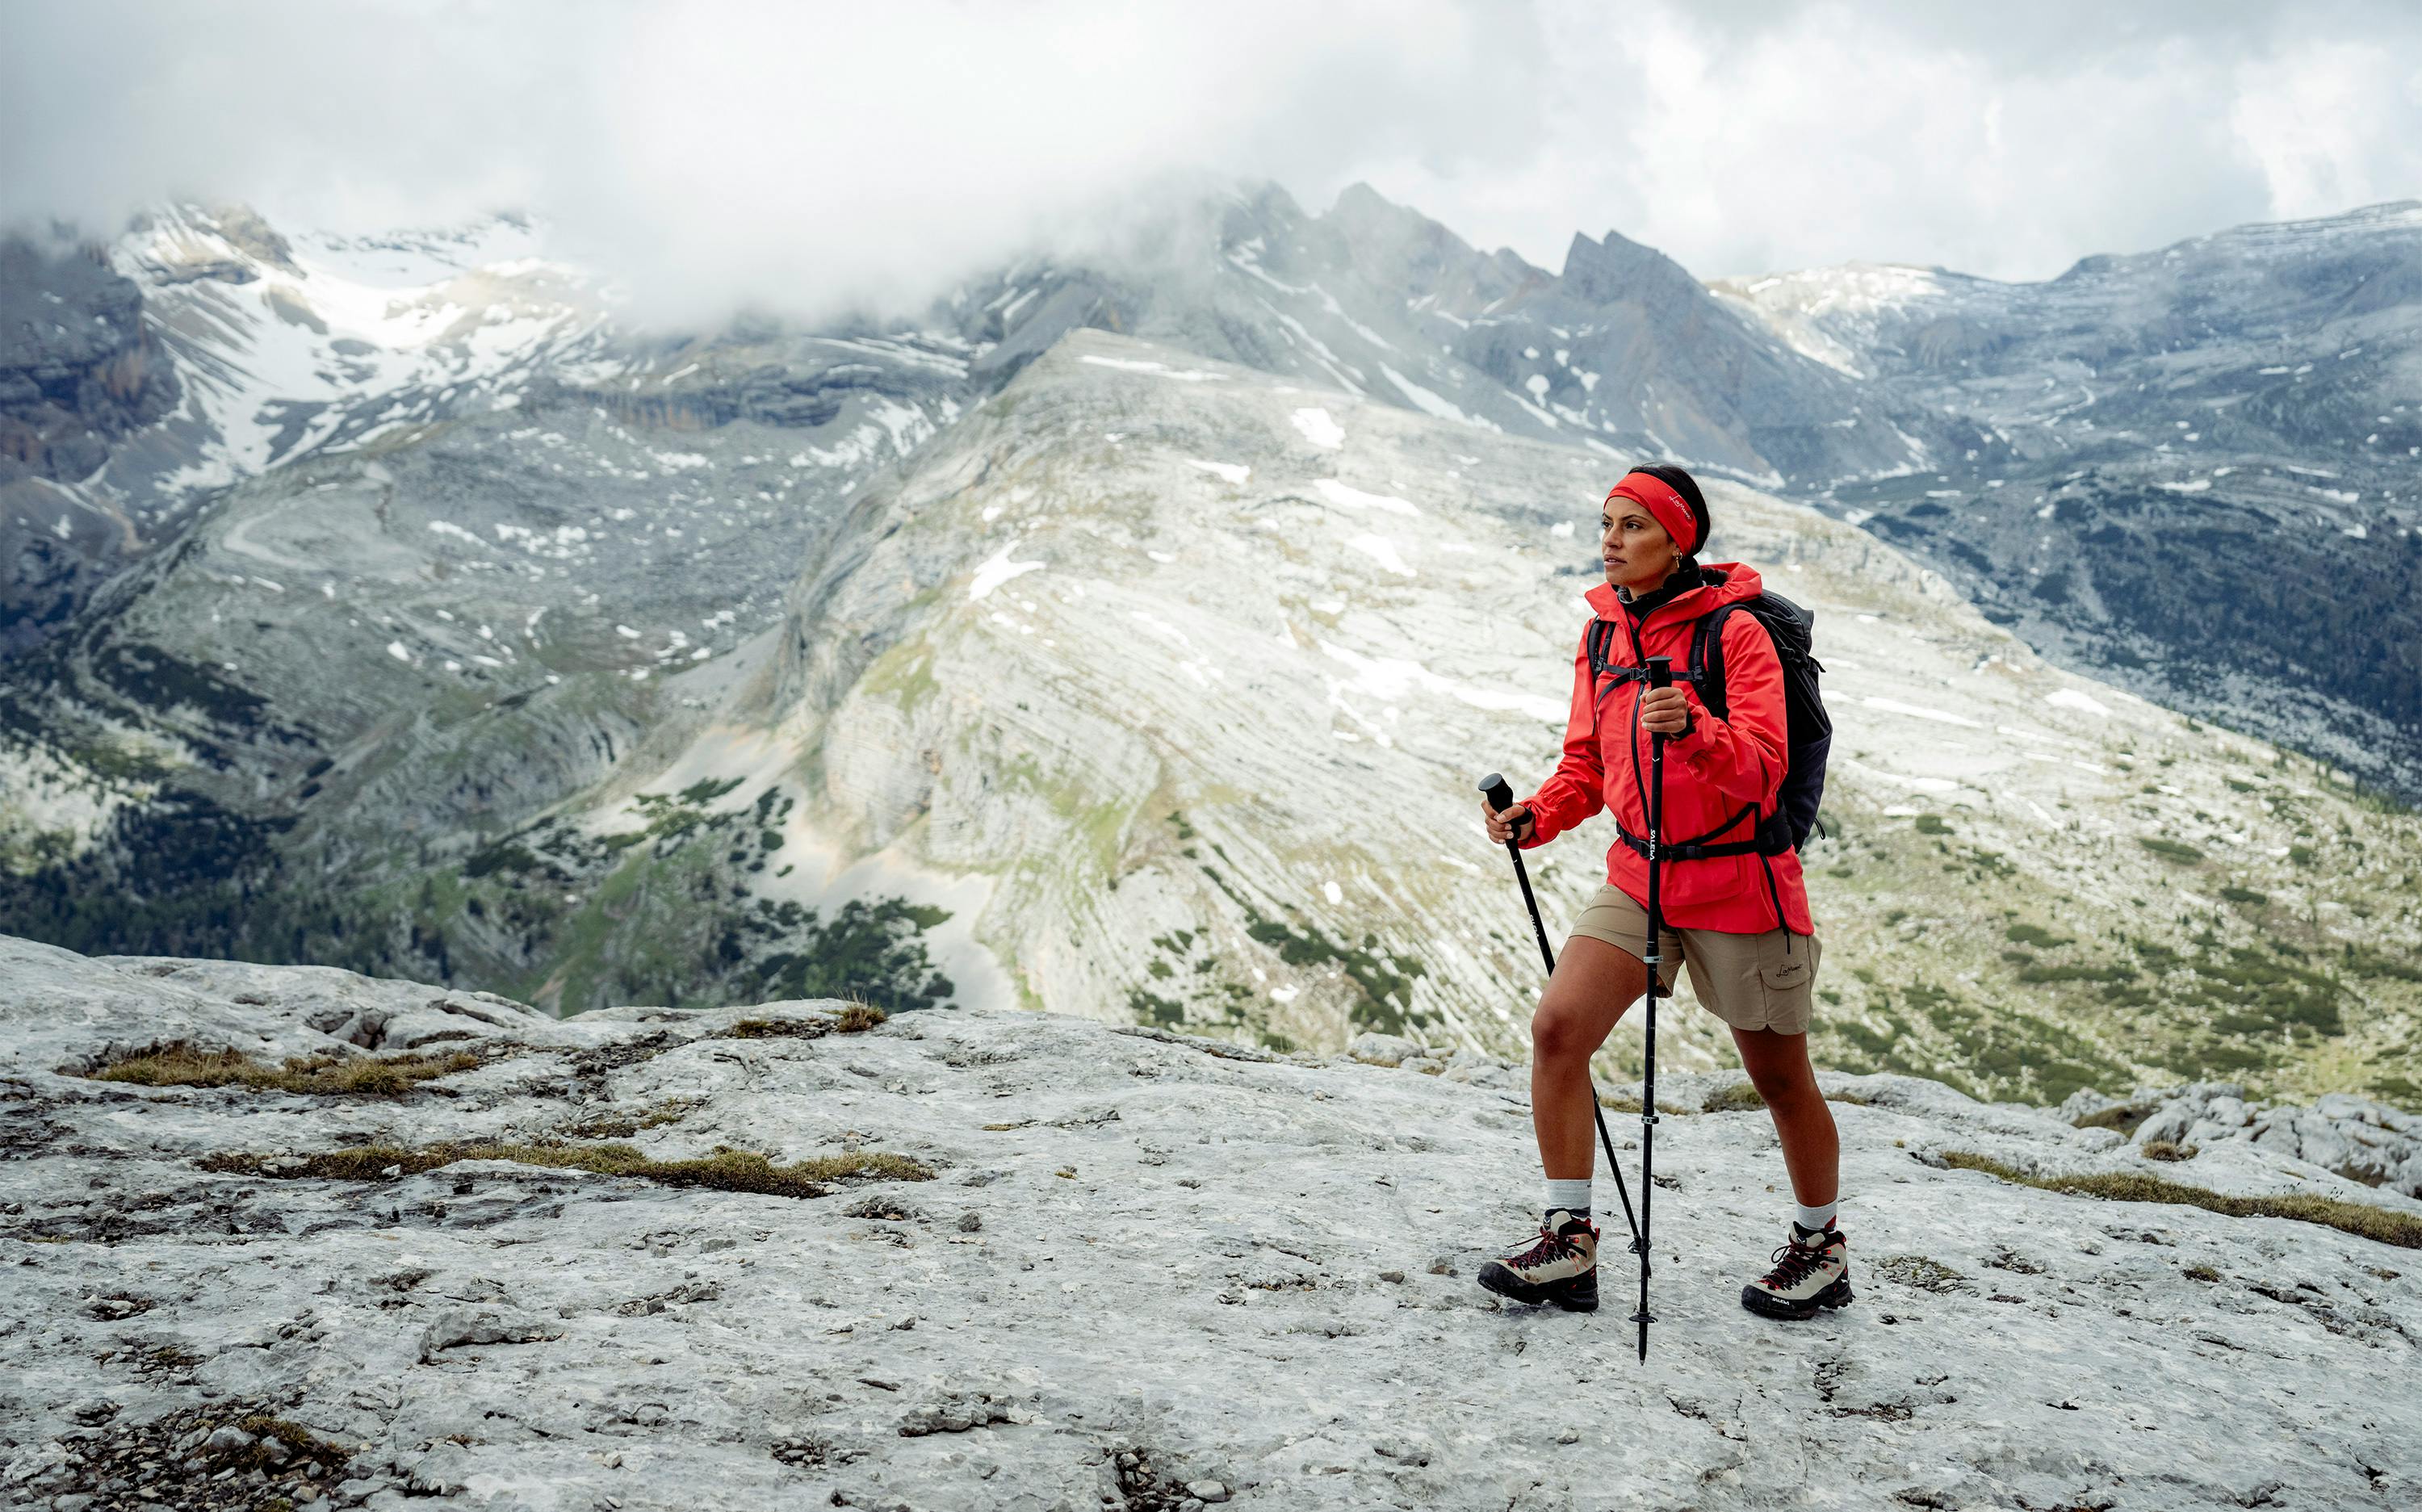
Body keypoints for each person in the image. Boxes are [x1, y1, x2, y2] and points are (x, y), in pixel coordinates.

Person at [1473, 464, 1850, 1321]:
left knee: (1780, 1077)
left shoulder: (1737, 634)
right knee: (1558, 1028)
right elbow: (1589, 767)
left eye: (1633, 525)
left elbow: (1762, 769)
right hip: (1641, 873)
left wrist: (1695, 728)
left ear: (1679, 541)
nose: (1610, 539)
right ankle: (1570, 1243)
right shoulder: (1603, 635)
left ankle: (1820, 1247)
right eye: (1607, 521)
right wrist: (1537, 815)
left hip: (1739, 881)